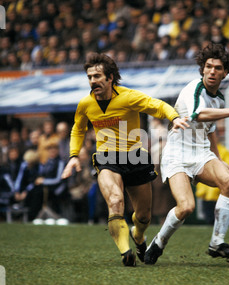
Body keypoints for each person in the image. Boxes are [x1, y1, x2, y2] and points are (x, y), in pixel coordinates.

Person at [61, 52, 188, 267]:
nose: (93, 81)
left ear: (110, 78)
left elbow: (156, 105)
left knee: (144, 216)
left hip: (136, 158)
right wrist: (74, 156)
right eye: (90, 77)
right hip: (106, 158)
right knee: (115, 201)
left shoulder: (128, 97)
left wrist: (174, 117)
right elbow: (78, 129)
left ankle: (137, 236)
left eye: (98, 76)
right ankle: (125, 252)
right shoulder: (85, 104)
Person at [144, 43, 229, 265]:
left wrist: (218, 159)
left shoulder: (220, 100)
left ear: (225, 72)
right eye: (208, 67)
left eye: (218, 68)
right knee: (186, 207)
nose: (212, 71)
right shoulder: (193, 89)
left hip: (201, 154)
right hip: (177, 154)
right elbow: (198, 115)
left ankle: (217, 242)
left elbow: (211, 131)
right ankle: (159, 242)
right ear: (202, 69)